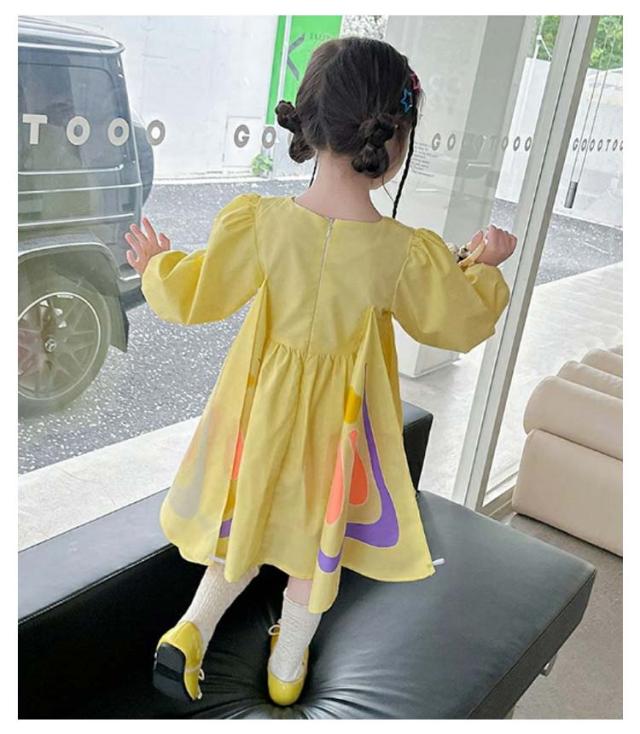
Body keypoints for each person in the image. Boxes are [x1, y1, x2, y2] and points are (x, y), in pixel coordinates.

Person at [124, 36, 516, 708]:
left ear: (308, 124)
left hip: (259, 414)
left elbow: (198, 295)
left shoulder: (261, 222)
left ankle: (192, 629)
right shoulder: (402, 252)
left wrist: (158, 266)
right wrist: (484, 267)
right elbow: (453, 320)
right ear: (395, 142)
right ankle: (287, 665)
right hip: (341, 430)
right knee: (316, 542)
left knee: (247, 519)